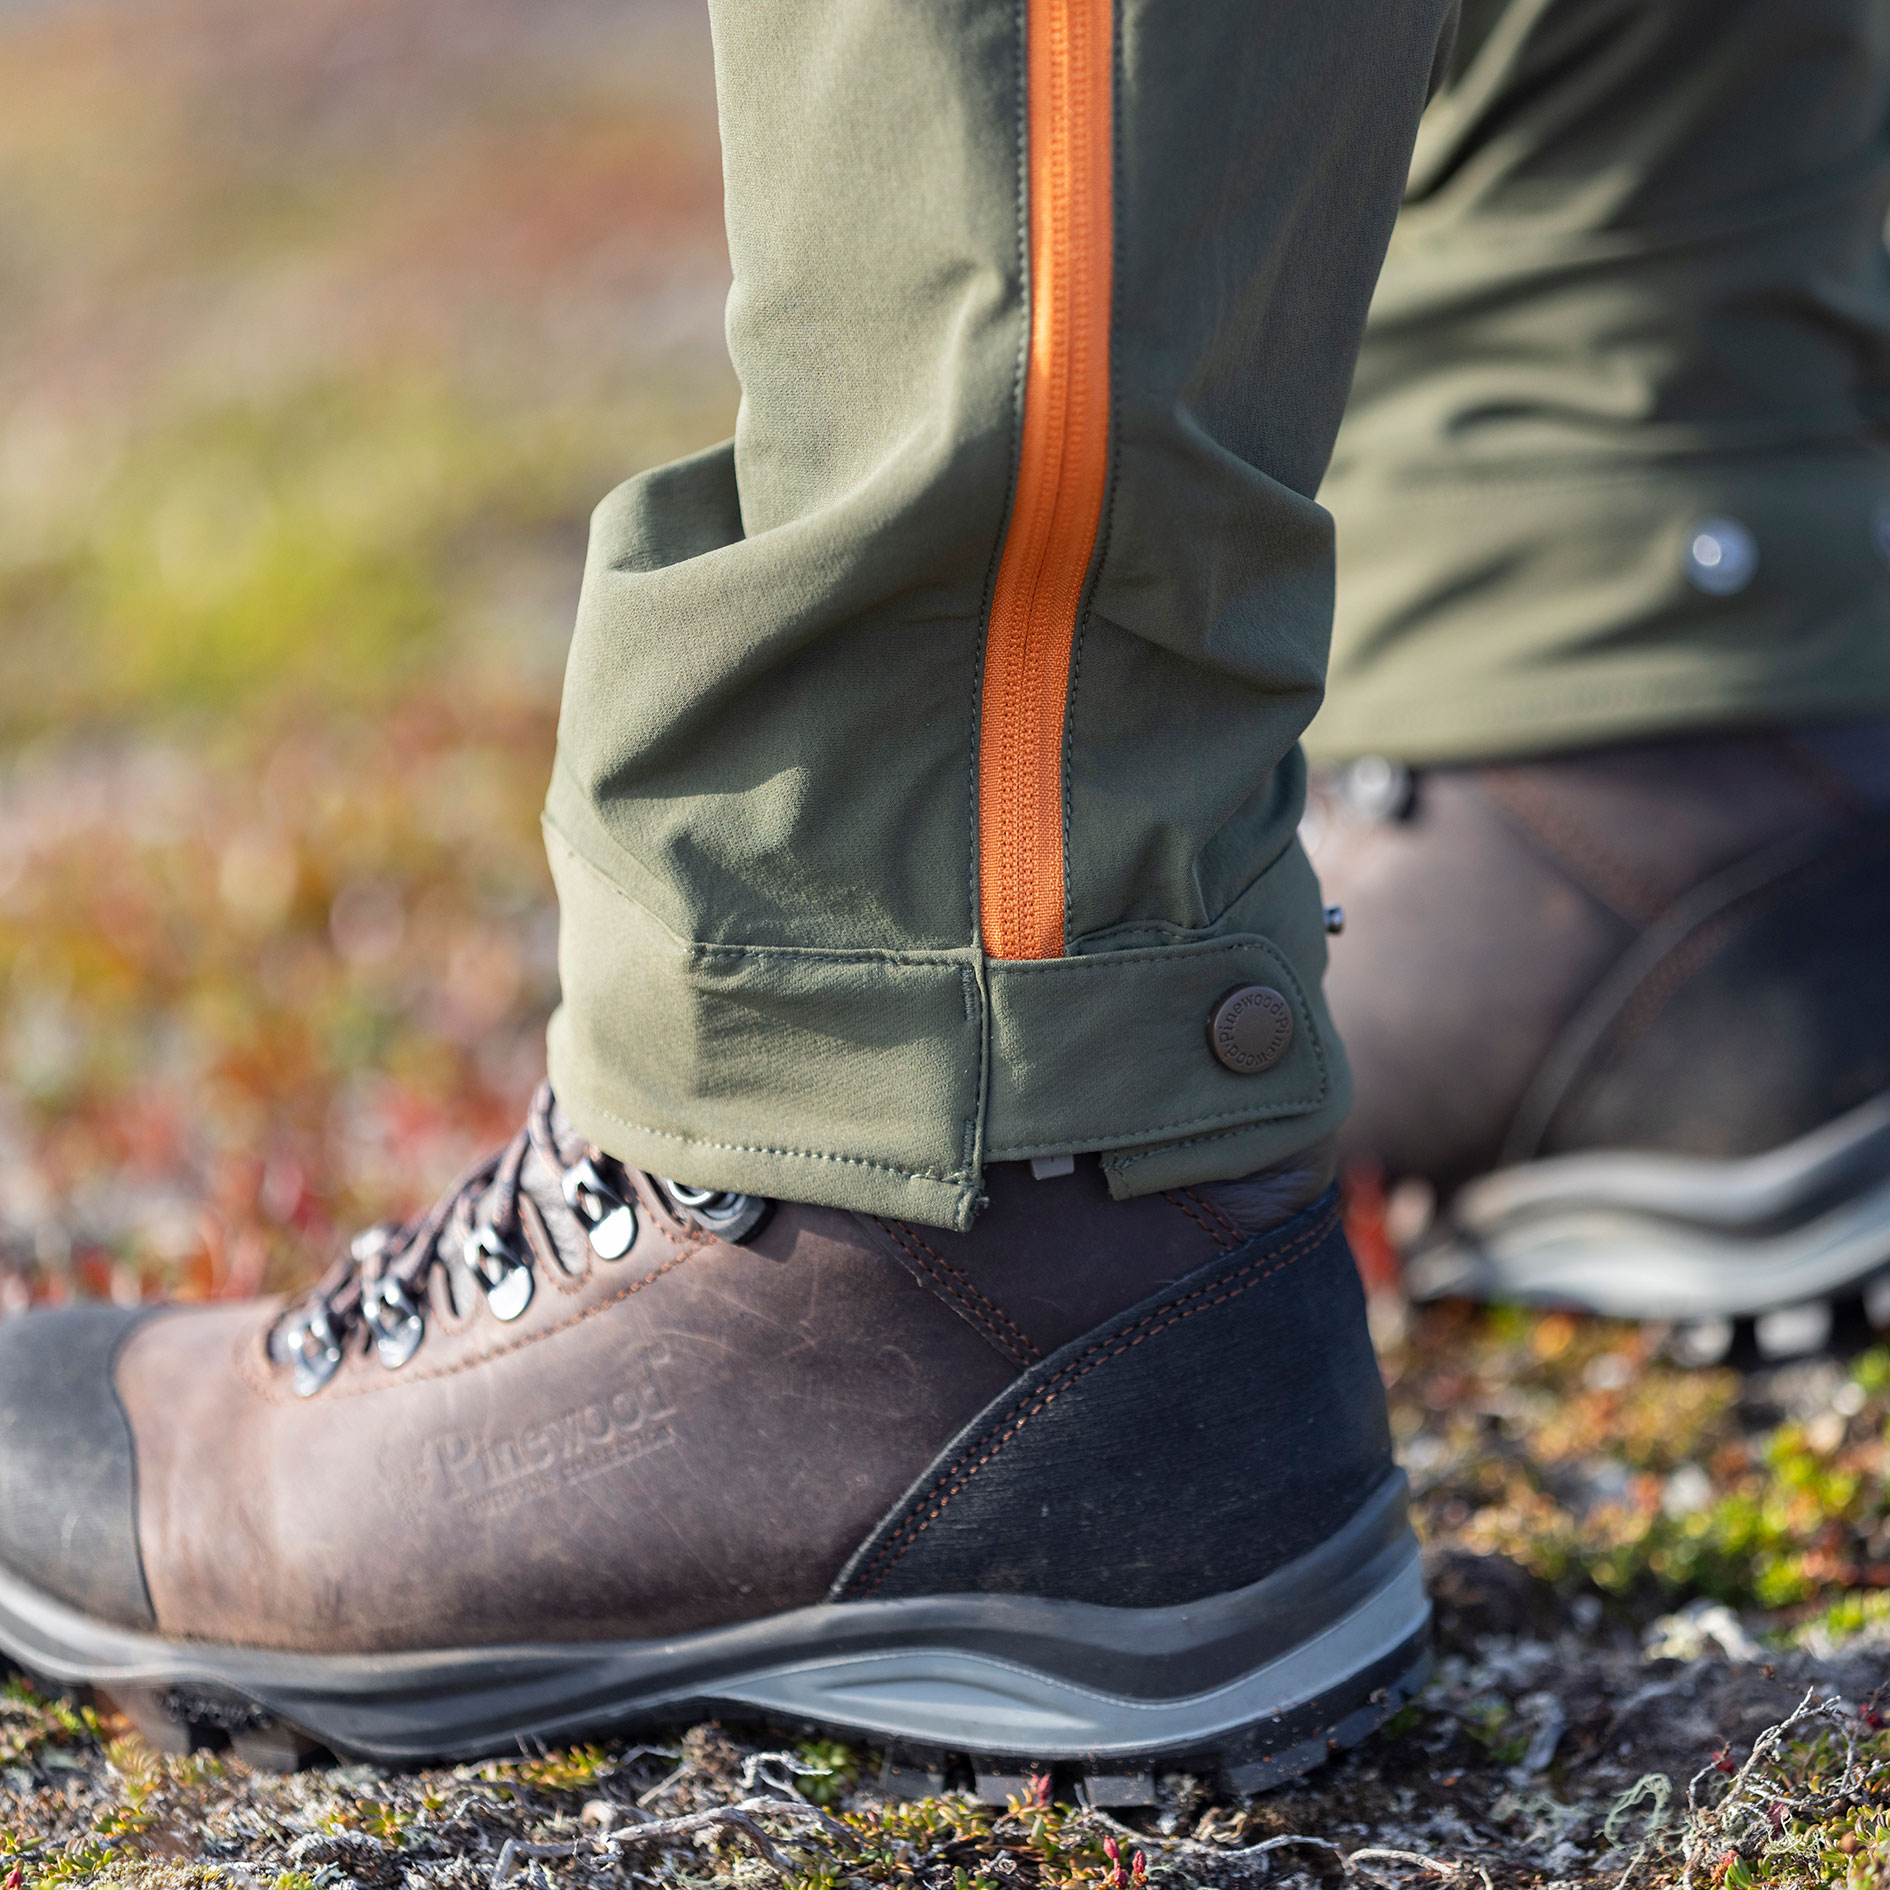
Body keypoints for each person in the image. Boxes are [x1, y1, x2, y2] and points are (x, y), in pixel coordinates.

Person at [0, 0, 1880, 1795]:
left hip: (976, 1178)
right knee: (1610, 545)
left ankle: (926, 1072)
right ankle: (1632, 635)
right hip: (1691, 683)